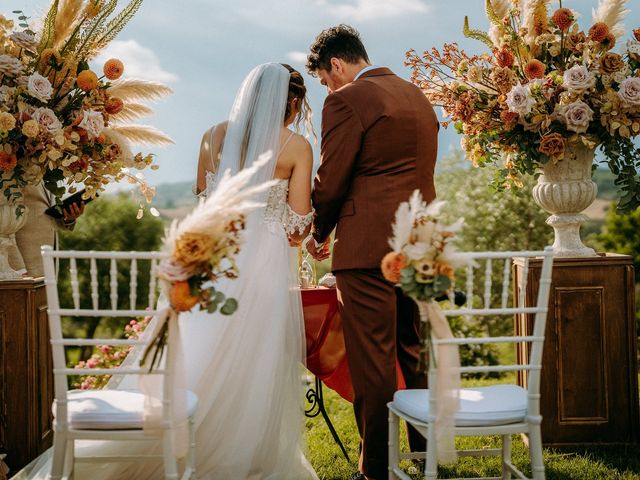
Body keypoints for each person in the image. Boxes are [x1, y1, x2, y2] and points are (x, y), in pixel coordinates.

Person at [305, 25, 440, 480]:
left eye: (325, 79)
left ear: (337, 66)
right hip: (420, 244)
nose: (328, 87)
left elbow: (332, 177)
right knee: (414, 351)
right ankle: (425, 456)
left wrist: (317, 231)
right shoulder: (416, 96)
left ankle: (377, 469)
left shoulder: (346, 101)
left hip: (366, 250)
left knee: (374, 361)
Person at [180, 62, 317, 479]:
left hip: (216, 259)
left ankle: (183, 443)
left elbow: (202, 203)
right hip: (264, 264)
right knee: (259, 356)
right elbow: (297, 222)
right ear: (291, 102)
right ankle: (246, 453)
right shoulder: (296, 147)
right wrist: (307, 228)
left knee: (203, 348)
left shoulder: (213, 136)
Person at [9, 184, 84, 277]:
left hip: (49, 261)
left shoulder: (48, 172)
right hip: (25, 268)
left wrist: (69, 219)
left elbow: (47, 214)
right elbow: (4, 226)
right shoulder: (10, 171)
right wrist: (18, 268)